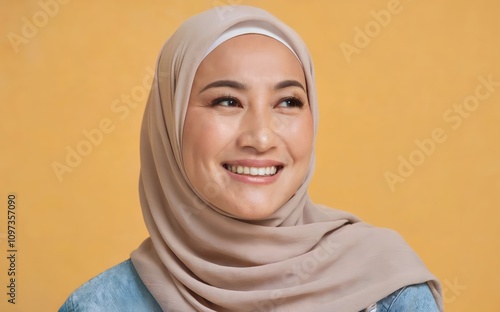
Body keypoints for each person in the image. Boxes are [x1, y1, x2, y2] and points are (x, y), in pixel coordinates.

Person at [59, 5, 443, 312]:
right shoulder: (101, 305)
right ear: (169, 123)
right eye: (227, 101)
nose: (260, 137)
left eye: (288, 102)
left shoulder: (391, 291)